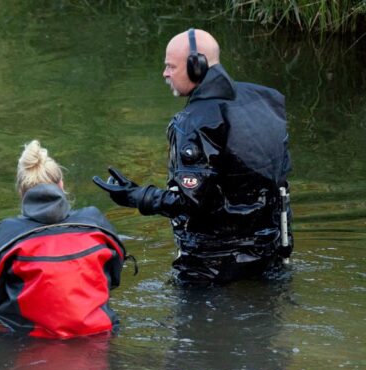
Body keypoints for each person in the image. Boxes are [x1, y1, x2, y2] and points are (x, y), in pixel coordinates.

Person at [93, 28, 293, 284]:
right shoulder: (266, 99)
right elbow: (279, 178)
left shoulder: (193, 122)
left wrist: (136, 196)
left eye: (170, 66)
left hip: (210, 265)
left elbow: (191, 204)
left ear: (196, 66)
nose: (165, 73)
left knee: (193, 324)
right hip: (270, 251)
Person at [0, 140, 127, 339]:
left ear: (21, 192)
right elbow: (114, 278)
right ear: (61, 185)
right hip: (97, 335)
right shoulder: (96, 223)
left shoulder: (6, 235)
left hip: (27, 341)